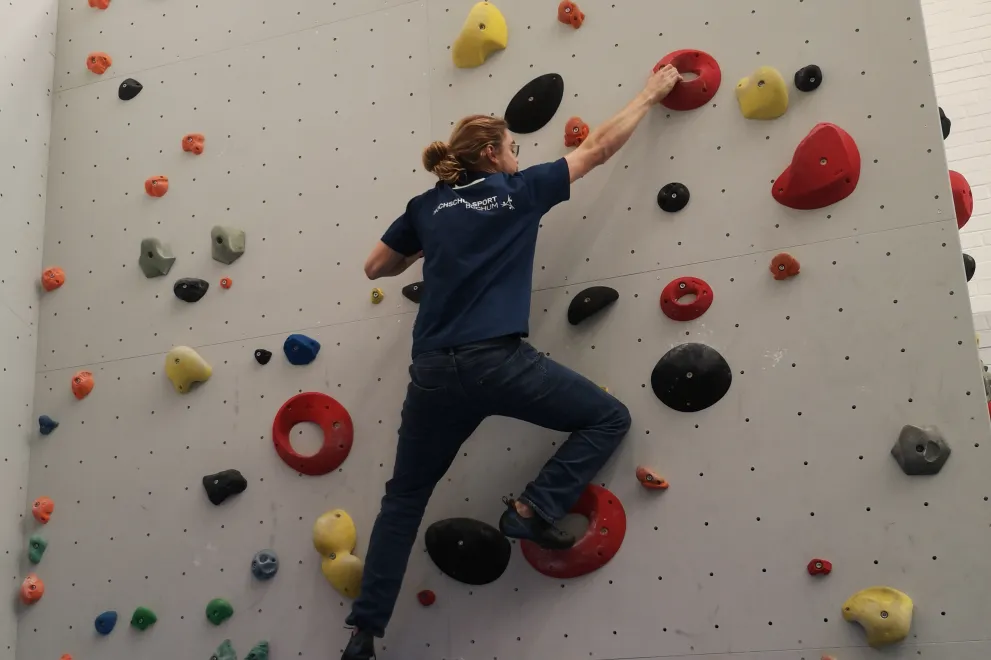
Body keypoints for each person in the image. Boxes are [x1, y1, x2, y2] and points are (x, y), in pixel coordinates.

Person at [342, 63, 683, 660]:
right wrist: (651, 94)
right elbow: (598, 147)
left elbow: (376, 267)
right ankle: (533, 507)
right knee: (608, 418)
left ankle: (364, 634)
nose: (519, 158)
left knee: (403, 500)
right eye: (515, 149)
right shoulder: (516, 192)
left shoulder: (426, 205)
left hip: (432, 375)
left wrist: (433, 241)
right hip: (495, 362)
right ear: (494, 154)